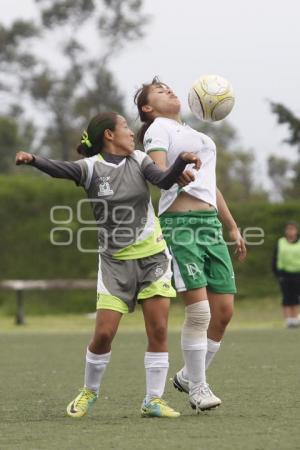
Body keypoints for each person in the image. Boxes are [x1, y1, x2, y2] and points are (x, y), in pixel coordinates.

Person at [15, 112, 201, 419]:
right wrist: (33, 159)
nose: (132, 132)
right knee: (103, 334)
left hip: (153, 258)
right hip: (115, 264)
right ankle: (89, 391)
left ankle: (153, 400)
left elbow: (165, 180)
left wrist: (180, 160)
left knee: (158, 329)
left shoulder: (139, 160)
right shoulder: (90, 169)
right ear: (109, 136)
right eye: (126, 128)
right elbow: (60, 169)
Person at [134, 78, 247, 412]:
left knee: (223, 312)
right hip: (179, 226)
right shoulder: (158, 128)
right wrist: (174, 170)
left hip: (210, 226)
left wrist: (232, 226)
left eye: (169, 87)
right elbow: (155, 170)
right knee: (200, 311)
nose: (169, 91)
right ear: (147, 108)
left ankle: (187, 376)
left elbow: (211, 186)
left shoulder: (199, 136)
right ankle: (198, 389)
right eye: (159, 91)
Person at [272, 222, 300, 328]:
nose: (290, 232)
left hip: (298, 274)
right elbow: (275, 258)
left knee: (297, 297)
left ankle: (296, 317)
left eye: (293, 229)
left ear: (296, 231)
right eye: (288, 229)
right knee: (287, 297)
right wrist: (277, 273)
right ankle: (289, 319)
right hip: (284, 274)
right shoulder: (281, 242)